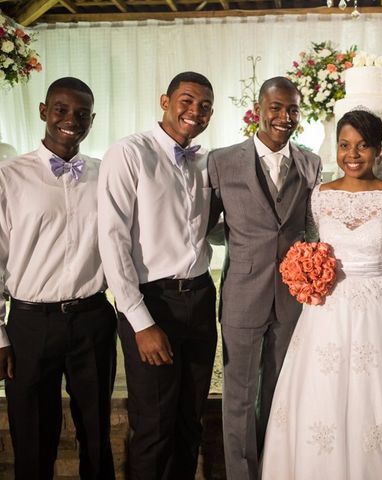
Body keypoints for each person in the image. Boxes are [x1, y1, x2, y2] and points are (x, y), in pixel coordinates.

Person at [261, 109, 382, 479]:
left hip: (381, 307)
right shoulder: (320, 196)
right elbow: (311, 246)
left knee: (377, 403)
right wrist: (305, 273)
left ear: (378, 150)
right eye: (344, 145)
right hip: (328, 310)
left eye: (362, 146)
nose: (352, 154)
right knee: (322, 397)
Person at [97, 71, 216, 480]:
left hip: (201, 297)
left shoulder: (204, 160)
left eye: (204, 106)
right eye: (186, 100)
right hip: (153, 302)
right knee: (153, 426)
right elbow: (111, 241)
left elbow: (208, 227)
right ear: (164, 101)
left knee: (190, 422)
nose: (194, 111)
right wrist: (141, 322)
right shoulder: (129, 153)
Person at [0, 77, 117, 479]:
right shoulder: (9, 177)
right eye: (62, 110)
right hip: (31, 324)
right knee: (33, 438)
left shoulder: (107, 175)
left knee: (97, 435)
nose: (71, 120)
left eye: (81, 114)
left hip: (93, 318)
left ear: (92, 119)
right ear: (43, 111)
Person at [208, 76, 322, 480]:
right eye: (276, 108)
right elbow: (207, 227)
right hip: (242, 292)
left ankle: (275, 468)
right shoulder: (220, 161)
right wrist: (245, 245)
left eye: (292, 109)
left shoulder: (310, 162)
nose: (284, 117)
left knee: (280, 390)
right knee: (238, 395)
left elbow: (311, 229)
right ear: (258, 108)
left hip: (292, 297)